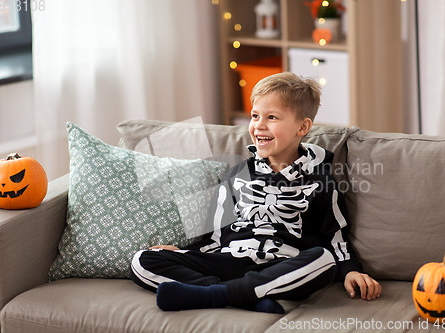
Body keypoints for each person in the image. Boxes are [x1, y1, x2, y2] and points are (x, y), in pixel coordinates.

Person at [130, 72, 381, 313]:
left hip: (280, 265)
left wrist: (350, 270)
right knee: (143, 260)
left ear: (302, 127)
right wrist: (185, 252)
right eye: (255, 116)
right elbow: (216, 236)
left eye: (272, 117)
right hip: (229, 260)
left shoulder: (321, 178)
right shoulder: (237, 174)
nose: (259, 126)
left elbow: (335, 236)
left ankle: (216, 294)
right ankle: (243, 297)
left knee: (323, 260)